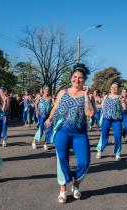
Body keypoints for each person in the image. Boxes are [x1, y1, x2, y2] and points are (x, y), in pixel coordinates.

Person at [45, 63, 94, 203]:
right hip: (63, 131)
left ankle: (76, 185)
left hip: (80, 133)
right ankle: (62, 190)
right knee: (62, 160)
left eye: (80, 78)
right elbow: (55, 108)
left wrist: (85, 96)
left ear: (84, 80)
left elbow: (90, 113)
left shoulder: (88, 95)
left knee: (85, 162)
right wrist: (49, 118)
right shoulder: (62, 92)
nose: (77, 80)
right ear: (71, 77)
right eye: (75, 77)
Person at [96, 83, 123, 161]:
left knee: (118, 136)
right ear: (110, 88)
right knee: (104, 135)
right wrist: (92, 105)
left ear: (118, 89)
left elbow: (124, 108)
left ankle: (117, 153)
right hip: (107, 119)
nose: (113, 89)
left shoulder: (120, 97)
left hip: (116, 120)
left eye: (115, 87)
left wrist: (124, 102)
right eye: (112, 87)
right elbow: (101, 106)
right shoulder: (106, 96)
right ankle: (99, 150)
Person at [32, 85, 53, 150]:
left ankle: (46, 143)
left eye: (48, 90)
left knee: (49, 129)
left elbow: (55, 105)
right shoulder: (40, 97)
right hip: (41, 115)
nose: (47, 91)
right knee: (41, 129)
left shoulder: (50, 98)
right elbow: (35, 104)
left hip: (48, 116)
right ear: (43, 90)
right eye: (46, 89)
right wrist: (37, 112)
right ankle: (34, 141)